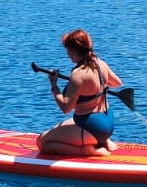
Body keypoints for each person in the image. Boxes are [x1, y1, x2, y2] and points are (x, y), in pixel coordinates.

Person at [37, 29, 123, 157]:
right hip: (108, 124)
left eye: (68, 50)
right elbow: (117, 83)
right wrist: (99, 85)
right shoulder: (101, 64)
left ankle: (86, 150)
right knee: (69, 122)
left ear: (73, 50)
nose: (67, 54)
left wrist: (54, 86)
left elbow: (66, 107)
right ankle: (103, 141)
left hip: (91, 128)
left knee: (42, 142)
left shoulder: (78, 74)